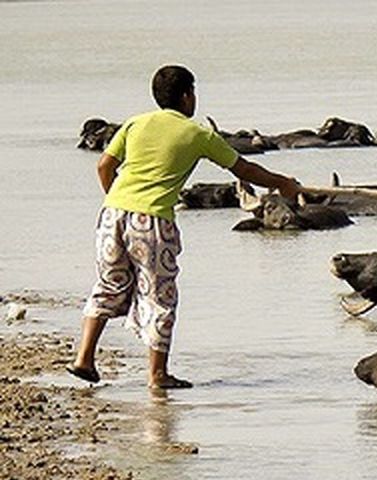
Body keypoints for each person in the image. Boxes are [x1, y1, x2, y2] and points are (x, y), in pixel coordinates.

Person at [69, 64, 302, 390]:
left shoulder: (135, 123)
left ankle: (84, 359)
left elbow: (104, 165)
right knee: (160, 296)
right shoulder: (197, 134)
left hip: (112, 215)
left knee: (108, 284)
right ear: (187, 95)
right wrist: (283, 183)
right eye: (193, 93)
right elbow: (244, 169)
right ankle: (157, 375)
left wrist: (118, 199)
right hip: (151, 221)